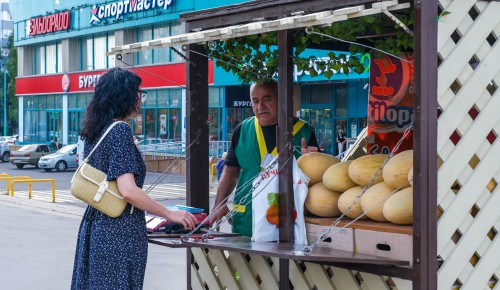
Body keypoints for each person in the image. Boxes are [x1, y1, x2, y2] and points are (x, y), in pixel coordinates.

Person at [71, 68, 197, 290]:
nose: (140, 97)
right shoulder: (120, 131)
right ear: (125, 95)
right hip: (118, 231)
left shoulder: (97, 130)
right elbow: (127, 190)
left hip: (96, 224)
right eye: (138, 91)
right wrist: (169, 213)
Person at [210, 80, 319, 237]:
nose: (260, 106)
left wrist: (313, 159)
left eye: (267, 99)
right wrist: (219, 204)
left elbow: (317, 178)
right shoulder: (242, 130)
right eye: (255, 101)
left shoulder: (304, 132)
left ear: (281, 99)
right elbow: (230, 170)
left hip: (288, 224)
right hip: (246, 222)